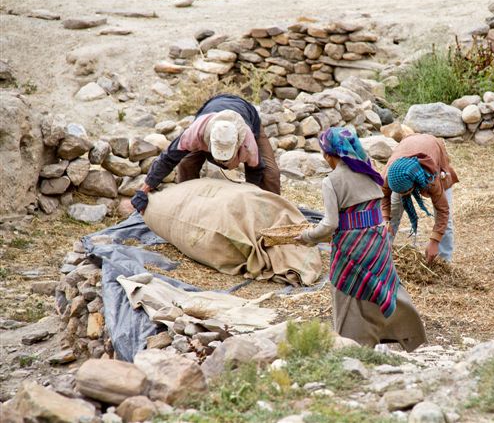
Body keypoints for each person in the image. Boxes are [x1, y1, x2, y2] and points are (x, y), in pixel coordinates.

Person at [297, 127, 426, 352]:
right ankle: (409, 334)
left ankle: (351, 344)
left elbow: (330, 224)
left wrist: (307, 237)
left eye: (324, 154)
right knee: (385, 285)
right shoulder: (369, 168)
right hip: (377, 240)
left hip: (351, 245)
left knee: (348, 293)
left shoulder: (332, 181)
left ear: (329, 154)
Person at [131, 93, 280, 213]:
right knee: (186, 164)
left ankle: (274, 214)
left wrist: (249, 199)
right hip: (212, 109)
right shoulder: (195, 133)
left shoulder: (248, 143)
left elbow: (255, 170)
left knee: (270, 173)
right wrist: (144, 190)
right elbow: (167, 158)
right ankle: (188, 207)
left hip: (247, 114)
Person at [381, 133, 459, 263]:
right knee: (392, 213)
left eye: (406, 192)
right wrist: (385, 220)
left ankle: (444, 260)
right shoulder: (389, 175)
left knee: (446, 221)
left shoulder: (431, 178)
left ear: (415, 184)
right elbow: (384, 196)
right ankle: (383, 257)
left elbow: (443, 211)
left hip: (434, 154)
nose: (404, 195)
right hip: (408, 145)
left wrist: (435, 241)